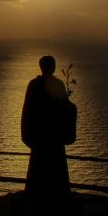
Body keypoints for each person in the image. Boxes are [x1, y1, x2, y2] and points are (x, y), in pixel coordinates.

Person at [20, 55, 72, 204]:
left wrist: (27, 136)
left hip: (39, 138)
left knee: (37, 175)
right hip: (54, 138)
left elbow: (27, 112)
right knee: (57, 178)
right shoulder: (58, 85)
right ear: (53, 67)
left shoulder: (33, 85)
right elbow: (65, 109)